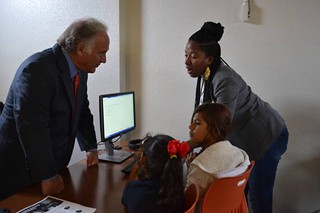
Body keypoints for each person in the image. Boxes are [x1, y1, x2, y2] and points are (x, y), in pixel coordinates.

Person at [184, 21, 289, 213]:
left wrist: (188, 146)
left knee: (258, 195)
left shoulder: (225, 79)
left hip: (267, 137)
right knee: (240, 193)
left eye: (193, 56)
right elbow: (204, 116)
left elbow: (219, 125)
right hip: (245, 139)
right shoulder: (205, 75)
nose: (187, 61)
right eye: (186, 55)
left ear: (209, 59)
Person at [0, 17, 110, 200]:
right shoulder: (36, 69)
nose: (104, 60)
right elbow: (32, 128)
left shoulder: (81, 71)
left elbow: (82, 110)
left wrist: (91, 146)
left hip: (51, 164)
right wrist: (47, 174)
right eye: (101, 53)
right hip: (20, 171)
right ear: (81, 49)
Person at [185, 103, 250, 211]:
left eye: (197, 123)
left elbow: (188, 202)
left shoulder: (201, 167)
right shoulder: (240, 155)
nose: (190, 126)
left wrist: (191, 170)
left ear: (214, 129)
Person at [122, 134, 190, 213]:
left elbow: (126, 206)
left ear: (143, 159)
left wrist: (135, 169)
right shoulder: (177, 192)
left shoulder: (134, 190)